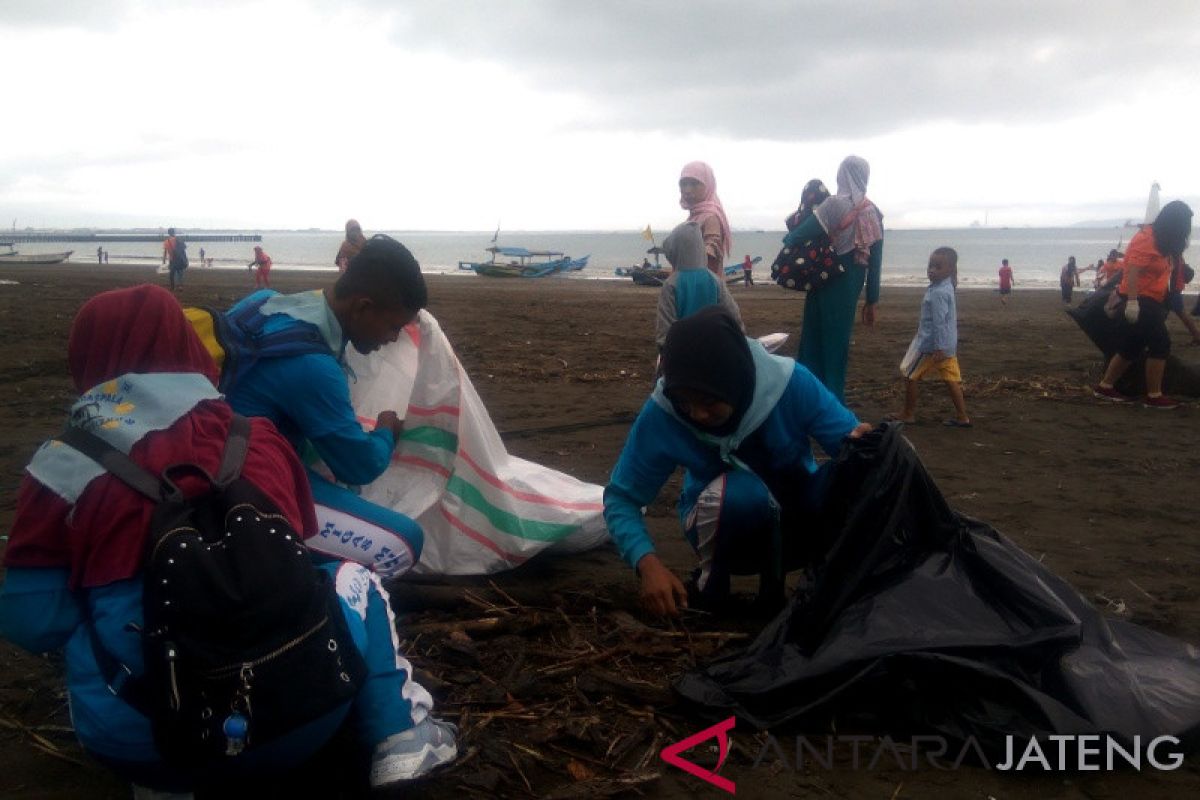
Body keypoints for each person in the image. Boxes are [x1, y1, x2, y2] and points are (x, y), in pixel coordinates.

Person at [0, 285, 457, 796]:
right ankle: (400, 733)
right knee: (352, 579)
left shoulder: (62, 465)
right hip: (300, 724)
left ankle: (168, 777)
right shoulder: (255, 437)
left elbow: (31, 624)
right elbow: (293, 560)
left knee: (98, 620)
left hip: (139, 740)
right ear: (189, 347)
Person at [604, 306, 871, 617]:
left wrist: (866, 443)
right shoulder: (663, 413)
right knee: (743, 494)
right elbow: (621, 497)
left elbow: (850, 448)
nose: (697, 414)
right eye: (684, 402)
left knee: (856, 471)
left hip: (800, 522)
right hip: (726, 530)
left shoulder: (791, 383)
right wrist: (647, 564)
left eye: (709, 401)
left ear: (736, 380)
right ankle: (711, 588)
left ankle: (816, 586)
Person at [221, 235, 428, 578]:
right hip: (241, 484)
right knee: (403, 543)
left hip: (208, 453)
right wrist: (385, 431)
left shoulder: (265, 302)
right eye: (393, 327)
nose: (394, 339)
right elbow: (359, 466)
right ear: (362, 307)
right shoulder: (313, 366)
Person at [781, 155, 884, 402]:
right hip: (850, 286)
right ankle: (832, 399)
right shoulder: (874, 212)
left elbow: (795, 236)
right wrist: (872, 300)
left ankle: (806, 397)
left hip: (824, 279)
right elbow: (875, 261)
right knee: (838, 343)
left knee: (812, 339)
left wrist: (812, 241)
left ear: (841, 175)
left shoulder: (833, 205)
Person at [1093, 200, 1194, 409]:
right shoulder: (1147, 239)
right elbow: (1132, 271)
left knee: (1133, 346)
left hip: (1153, 300)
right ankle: (1154, 396)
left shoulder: (1164, 241)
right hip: (1139, 300)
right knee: (1161, 344)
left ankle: (1105, 386)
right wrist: (1131, 303)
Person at [889, 248, 971, 427]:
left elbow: (939, 322)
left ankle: (908, 413)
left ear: (950, 269)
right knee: (951, 379)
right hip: (948, 345)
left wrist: (938, 347)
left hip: (931, 346)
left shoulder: (938, 293)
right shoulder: (947, 285)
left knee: (909, 375)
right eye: (930, 266)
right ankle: (962, 416)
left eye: (938, 267)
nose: (932, 270)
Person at [655, 221, 743, 351]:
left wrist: (666, 352)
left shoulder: (671, 284)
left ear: (675, 251)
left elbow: (665, 330)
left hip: (682, 354)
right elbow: (734, 318)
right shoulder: (715, 281)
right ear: (700, 248)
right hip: (714, 351)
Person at [678, 161, 732, 276]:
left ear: (708, 185)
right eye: (683, 184)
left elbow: (712, 247)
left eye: (694, 184)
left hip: (703, 285)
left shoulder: (710, 216)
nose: (687, 190)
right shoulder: (694, 216)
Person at [162, 228, 187, 292]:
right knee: (180, 273)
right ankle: (180, 286)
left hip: (172, 260)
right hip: (179, 259)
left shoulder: (166, 242)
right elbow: (184, 247)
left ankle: (172, 287)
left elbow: (165, 252)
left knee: (172, 274)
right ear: (174, 232)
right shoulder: (178, 239)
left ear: (168, 233)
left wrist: (164, 260)